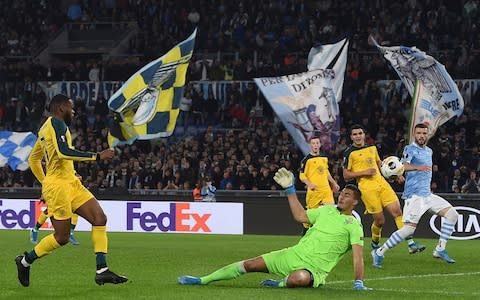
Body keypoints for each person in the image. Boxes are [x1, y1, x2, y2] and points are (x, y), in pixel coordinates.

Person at [178, 167, 372, 290]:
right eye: (342, 194)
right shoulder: (325, 211)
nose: (342, 197)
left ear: (355, 202)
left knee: (300, 277)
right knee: (249, 265)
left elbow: (357, 256)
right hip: (292, 255)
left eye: (347, 195)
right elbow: (300, 216)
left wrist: (358, 282)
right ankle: (203, 280)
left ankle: (281, 283)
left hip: (314, 269)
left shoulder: (354, 226)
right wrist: (290, 191)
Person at [15, 94, 127, 287]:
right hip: (59, 188)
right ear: (60, 108)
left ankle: (102, 270)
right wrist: (98, 156)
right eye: (71, 107)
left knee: (100, 218)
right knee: (62, 237)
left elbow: (34, 159)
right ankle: (25, 261)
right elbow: (63, 152)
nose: (73, 111)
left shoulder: (45, 129)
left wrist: (46, 180)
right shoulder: (56, 124)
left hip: (71, 183)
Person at [372, 124, 459, 267]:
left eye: (424, 133)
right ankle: (379, 252)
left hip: (427, 195)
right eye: (419, 133)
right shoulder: (410, 149)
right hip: (414, 196)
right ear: (414, 134)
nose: (421, 136)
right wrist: (418, 167)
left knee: (452, 215)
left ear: (428, 134)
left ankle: (440, 249)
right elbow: (403, 166)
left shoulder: (429, 151)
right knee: (408, 230)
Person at [342, 124, 424, 253]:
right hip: (367, 189)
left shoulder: (372, 148)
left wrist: (396, 174)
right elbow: (346, 175)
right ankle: (375, 242)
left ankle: (411, 243)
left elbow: (380, 164)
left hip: (382, 184)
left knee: (397, 212)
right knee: (380, 221)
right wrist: (364, 172)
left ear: (364, 135)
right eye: (355, 134)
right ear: (351, 137)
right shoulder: (349, 153)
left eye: (360, 133)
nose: (358, 136)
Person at [299, 135, 340, 235]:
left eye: (317, 143)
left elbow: (326, 172)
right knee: (309, 217)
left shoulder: (324, 158)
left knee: (331, 212)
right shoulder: (306, 160)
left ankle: (328, 236)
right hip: (314, 192)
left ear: (320, 144)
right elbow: (301, 175)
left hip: (326, 190)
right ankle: (305, 232)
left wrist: (334, 183)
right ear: (310, 145)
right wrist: (309, 184)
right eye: (313, 143)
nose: (315, 145)